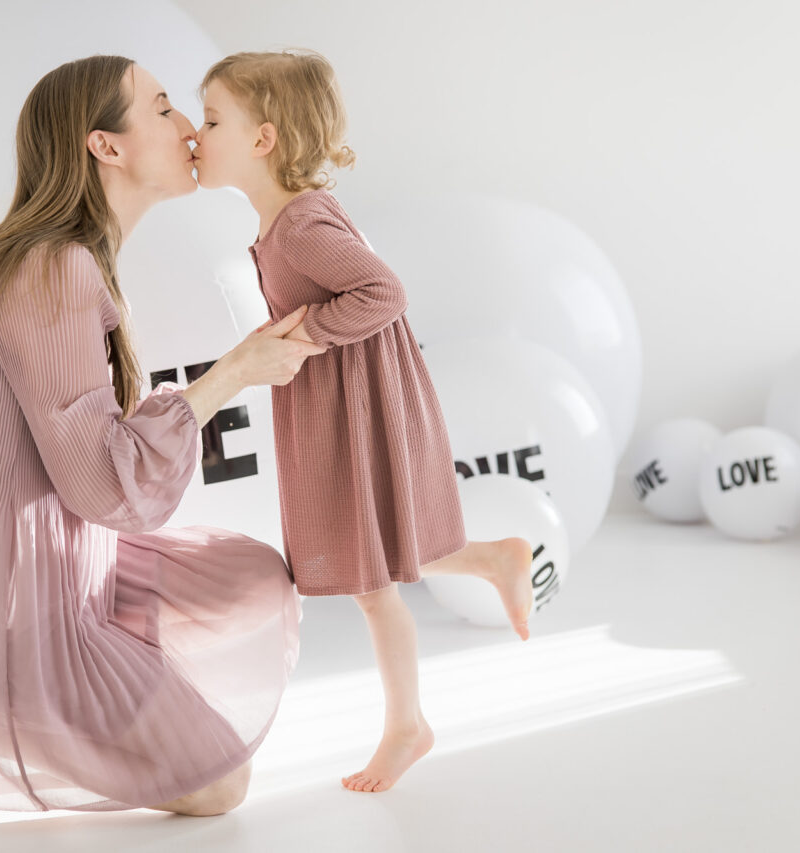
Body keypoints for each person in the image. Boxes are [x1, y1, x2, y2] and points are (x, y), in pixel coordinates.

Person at [0, 54, 326, 821]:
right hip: (4, 596)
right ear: (106, 146)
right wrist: (234, 372)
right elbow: (103, 486)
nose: (188, 127)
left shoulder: (65, 262)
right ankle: (0, 704)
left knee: (254, 578)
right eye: (164, 108)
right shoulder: (53, 270)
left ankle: (32, 703)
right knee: (220, 786)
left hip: (44, 561)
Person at [192, 50, 536, 794]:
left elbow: (385, 291)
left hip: (358, 406)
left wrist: (306, 332)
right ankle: (491, 560)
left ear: (263, 140)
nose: (197, 133)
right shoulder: (287, 219)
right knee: (365, 553)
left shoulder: (298, 228)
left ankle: (408, 724)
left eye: (212, 121)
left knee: (371, 581)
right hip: (342, 402)